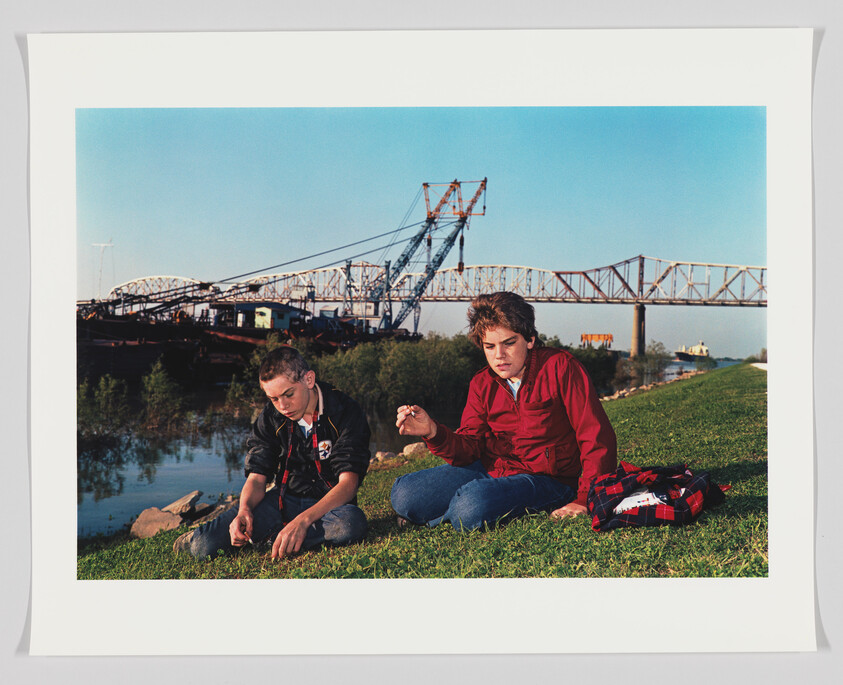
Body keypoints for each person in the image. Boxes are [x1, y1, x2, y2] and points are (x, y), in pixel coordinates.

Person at [391, 291, 617, 532]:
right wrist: (433, 432)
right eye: (490, 346)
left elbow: (596, 436)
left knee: (470, 505)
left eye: (509, 343)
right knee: (404, 493)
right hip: (493, 470)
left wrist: (584, 498)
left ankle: (442, 514)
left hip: (550, 480)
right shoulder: (481, 383)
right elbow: (469, 448)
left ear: (529, 340)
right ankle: (456, 508)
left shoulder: (561, 367)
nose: (499, 355)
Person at [174, 346, 370, 559]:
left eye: (288, 394)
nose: (283, 406)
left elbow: (348, 485)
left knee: (351, 524)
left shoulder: (345, 410)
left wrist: (302, 521)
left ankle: (274, 537)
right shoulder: (269, 417)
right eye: (274, 399)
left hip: (328, 507)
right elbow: (257, 478)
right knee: (202, 546)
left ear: (309, 380)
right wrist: (245, 509)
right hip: (282, 501)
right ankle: (277, 536)